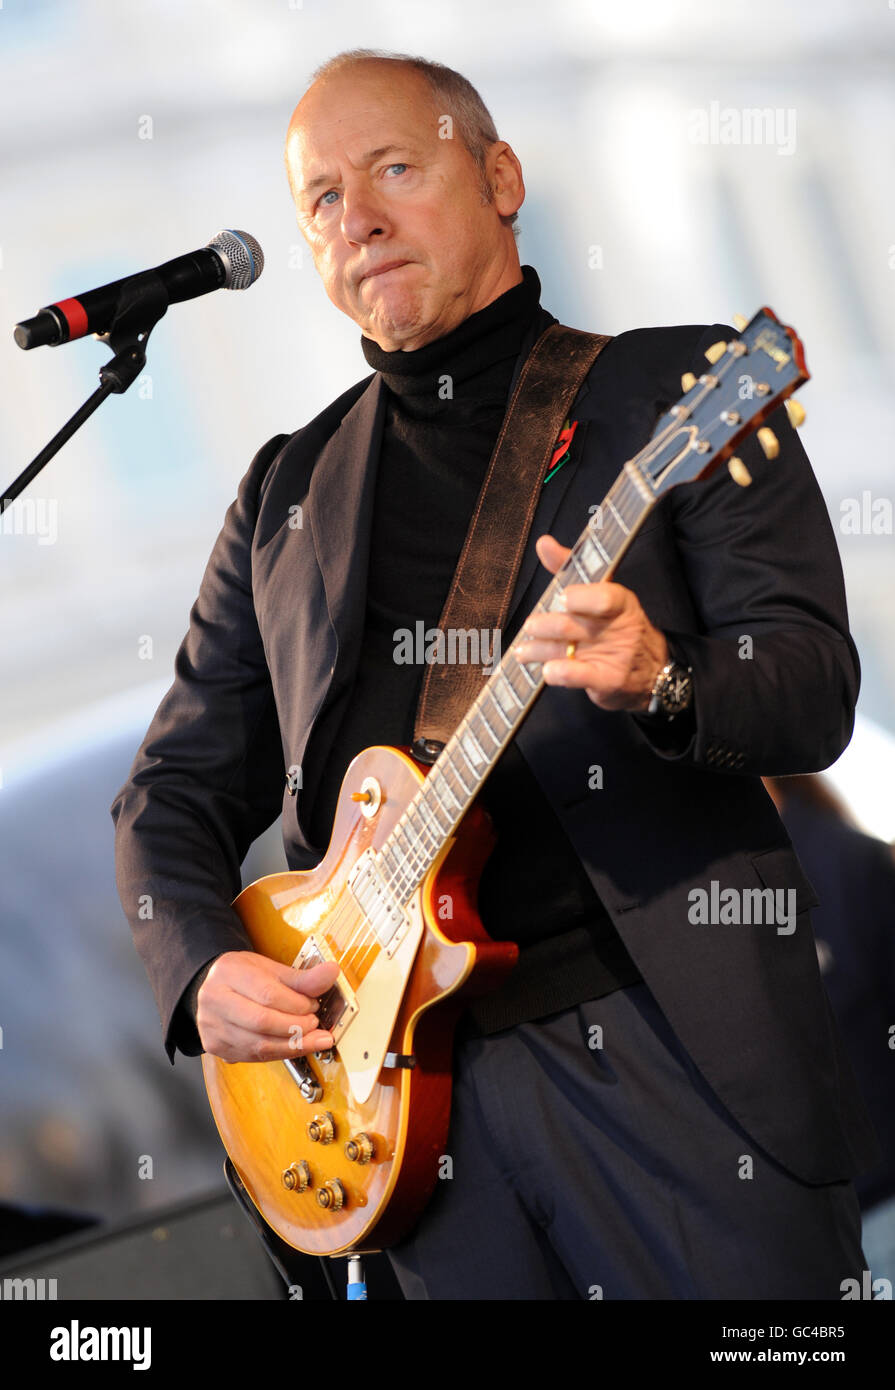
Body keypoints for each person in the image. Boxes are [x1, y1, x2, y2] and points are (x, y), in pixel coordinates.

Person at [111, 49, 880, 1300]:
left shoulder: (677, 391)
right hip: (402, 1114)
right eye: (319, 200)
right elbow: (169, 796)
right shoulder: (284, 494)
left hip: (664, 1061)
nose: (355, 216)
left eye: (394, 169)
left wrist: (661, 677)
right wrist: (200, 971)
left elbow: (810, 683)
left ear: (502, 174)